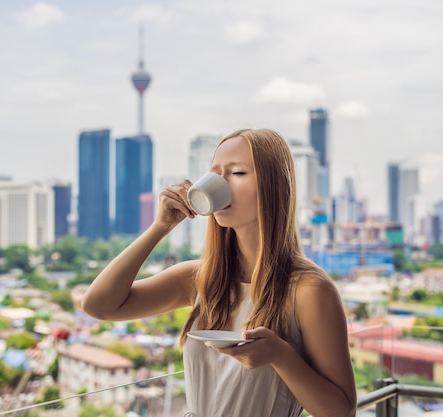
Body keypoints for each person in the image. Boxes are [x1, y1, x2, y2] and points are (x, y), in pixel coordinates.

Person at [82, 128, 357, 417]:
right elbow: (99, 305)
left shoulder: (309, 290)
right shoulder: (200, 279)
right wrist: (160, 227)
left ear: (274, 187)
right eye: (214, 174)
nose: (219, 183)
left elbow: (341, 411)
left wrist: (282, 356)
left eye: (237, 173)